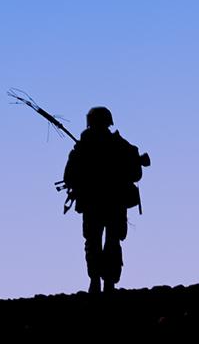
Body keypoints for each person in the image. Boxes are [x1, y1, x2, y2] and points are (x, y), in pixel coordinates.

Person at [62, 107, 146, 294]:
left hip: (95, 203)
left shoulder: (84, 148)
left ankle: (99, 281)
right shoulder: (119, 146)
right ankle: (106, 282)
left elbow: (69, 177)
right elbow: (135, 173)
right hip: (112, 203)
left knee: (97, 242)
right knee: (108, 242)